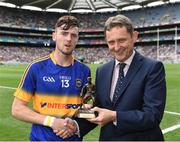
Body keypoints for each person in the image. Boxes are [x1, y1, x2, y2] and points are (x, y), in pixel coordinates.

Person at [76, 14, 167, 141]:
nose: (117, 47)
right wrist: (79, 120)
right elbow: (101, 108)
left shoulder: (153, 68)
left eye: (122, 40)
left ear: (134, 36)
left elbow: (152, 116)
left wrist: (115, 116)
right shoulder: (102, 71)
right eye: (111, 42)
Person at [11, 15, 91, 141]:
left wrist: (74, 125)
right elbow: (17, 109)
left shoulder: (84, 71)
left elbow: (84, 108)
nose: (69, 39)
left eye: (73, 35)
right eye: (64, 33)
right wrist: (51, 121)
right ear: (54, 36)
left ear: (77, 39)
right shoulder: (36, 68)